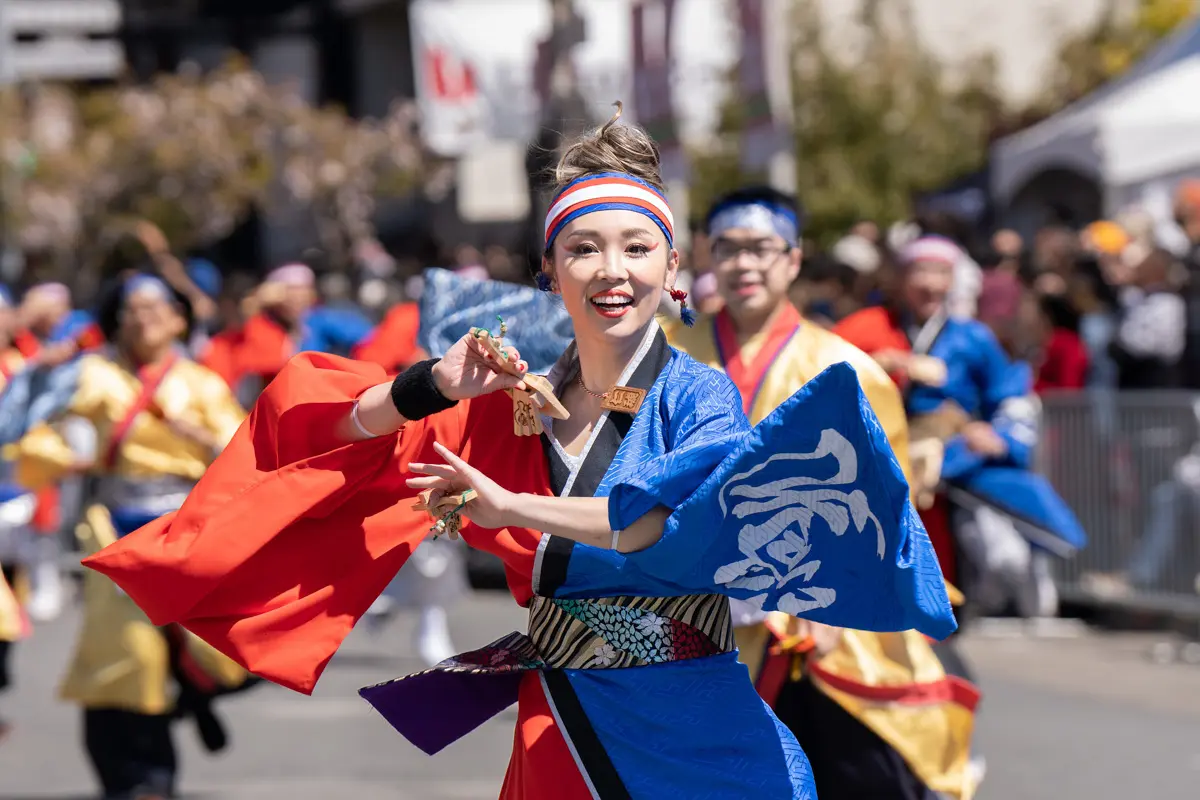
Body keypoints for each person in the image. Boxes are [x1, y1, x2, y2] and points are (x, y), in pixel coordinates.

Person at [85, 107, 954, 799]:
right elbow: (328, 437)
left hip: (693, 731)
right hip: (560, 728)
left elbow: (650, 522)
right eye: (583, 248)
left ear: (673, 267)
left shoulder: (699, 393)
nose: (611, 270)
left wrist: (506, 508)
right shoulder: (512, 406)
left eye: (636, 247)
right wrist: (432, 384)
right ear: (549, 271)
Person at [667, 186, 978, 800]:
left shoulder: (847, 366)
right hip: (700, 606)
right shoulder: (670, 357)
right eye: (727, 248)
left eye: (761, 248)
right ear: (706, 256)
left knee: (856, 771)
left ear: (794, 257)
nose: (744, 264)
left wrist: (827, 599)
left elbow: (884, 502)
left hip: (825, 608)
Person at [7, 275, 256, 800]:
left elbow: (246, 451)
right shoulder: (93, 376)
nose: (143, 318)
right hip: (116, 523)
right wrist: (65, 458)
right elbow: (29, 422)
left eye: (155, 307)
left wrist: (204, 438)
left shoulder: (201, 383)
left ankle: (188, 708)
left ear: (178, 318)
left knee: (207, 646)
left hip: (188, 524)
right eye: (131, 309)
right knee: (126, 651)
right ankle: (137, 776)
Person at [835, 236, 1085, 619]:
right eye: (921, 272)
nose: (931, 284)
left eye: (941, 273)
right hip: (887, 460)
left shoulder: (972, 337)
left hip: (956, 460)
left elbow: (1010, 396)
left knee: (1000, 558)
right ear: (901, 278)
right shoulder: (871, 328)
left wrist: (999, 436)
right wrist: (881, 366)